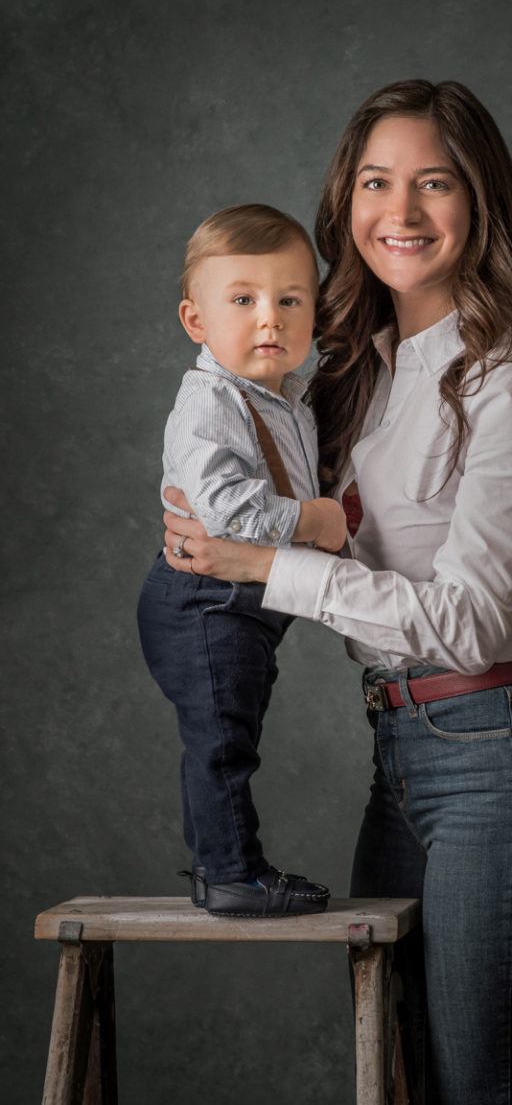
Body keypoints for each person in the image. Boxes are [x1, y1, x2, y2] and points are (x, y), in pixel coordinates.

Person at [162, 82, 512, 1103]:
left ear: (481, 200)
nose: (400, 213)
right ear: (346, 198)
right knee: (398, 1078)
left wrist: (261, 560)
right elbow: (234, 441)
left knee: (473, 1088)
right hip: (404, 754)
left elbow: (467, 623)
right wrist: (205, 513)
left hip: (506, 752)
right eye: (377, 182)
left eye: (434, 183)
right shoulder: (353, 371)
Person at [137, 203, 346, 918]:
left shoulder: (284, 394)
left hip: (240, 603)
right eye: (244, 300)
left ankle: (213, 865)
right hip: (202, 600)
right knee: (222, 741)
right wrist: (315, 519)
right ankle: (233, 872)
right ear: (196, 322)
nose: (271, 319)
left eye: (291, 300)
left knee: (227, 731)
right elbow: (226, 511)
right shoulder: (209, 401)